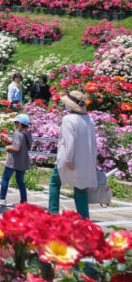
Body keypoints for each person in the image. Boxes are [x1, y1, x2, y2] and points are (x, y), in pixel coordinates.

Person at [49, 90, 99, 219]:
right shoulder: (89, 119)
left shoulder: (68, 119)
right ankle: (84, 219)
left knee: (54, 182)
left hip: (68, 159)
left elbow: (69, 142)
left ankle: (53, 214)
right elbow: (93, 142)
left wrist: (69, 160)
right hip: (85, 160)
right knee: (80, 188)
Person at [0, 114, 32, 206]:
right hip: (23, 161)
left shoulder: (17, 133)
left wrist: (8, 146)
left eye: (15, 123)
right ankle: (23, 201)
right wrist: (9, 139)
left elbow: (17, 147)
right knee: (20, 181)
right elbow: (23, 145)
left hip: (13, 161)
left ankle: (2, 199)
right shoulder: (28, 134)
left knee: (5, 179)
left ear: (20, 124)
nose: (14, 124)